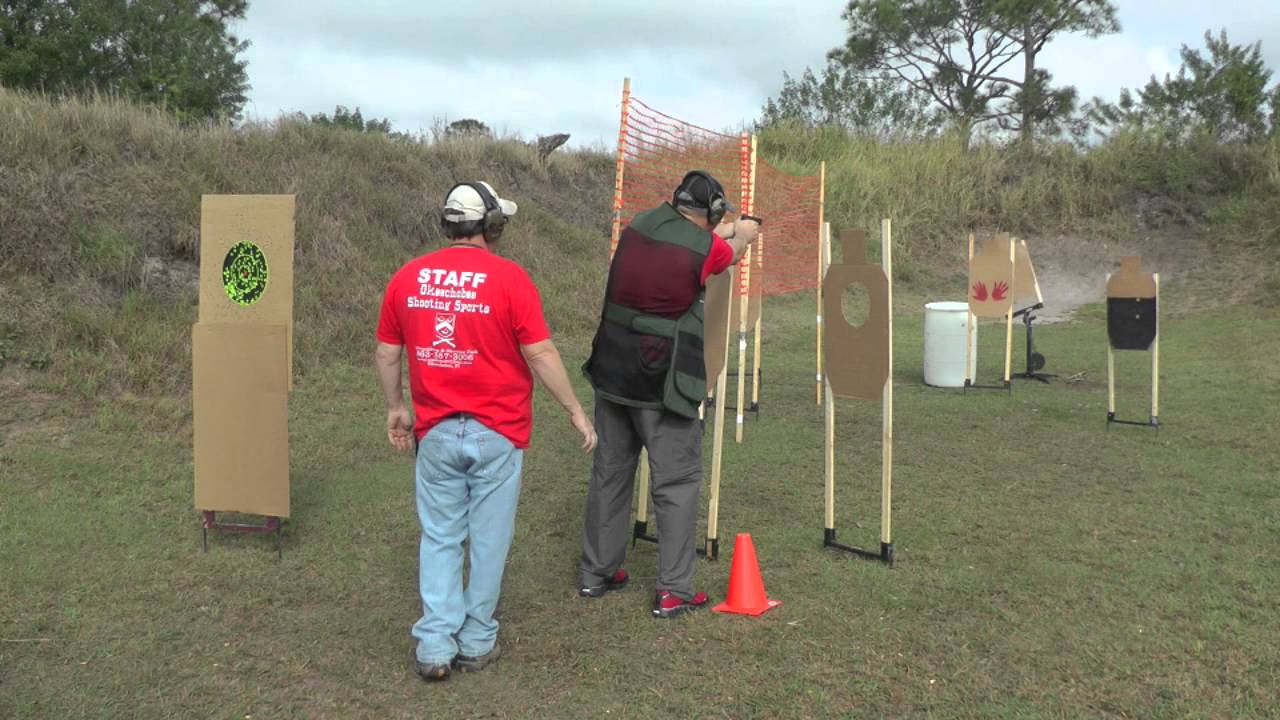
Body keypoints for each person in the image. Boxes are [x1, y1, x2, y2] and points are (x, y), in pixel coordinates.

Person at [375, 181, 597, 682]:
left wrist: (396, 407)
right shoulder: (510, 278)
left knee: (440, 536)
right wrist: (574, 411)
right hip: (498, 432)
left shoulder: (408, 277)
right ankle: (476, 640)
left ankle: (435, 643)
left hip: (435, 431)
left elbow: (388, 352)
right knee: (489, 539)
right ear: (492, 226)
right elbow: (540, 353)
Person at [578, 170, 760, 618]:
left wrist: (726, 227)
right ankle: (674, 589)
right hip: (660, 379)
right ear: (711, 212)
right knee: (677, 482)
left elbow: (694, 238)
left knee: (610, 473)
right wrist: (745, 233)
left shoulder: (640, 225)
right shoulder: (704, 248)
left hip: (612, 371)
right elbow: (728, 253)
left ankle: (597, 572)